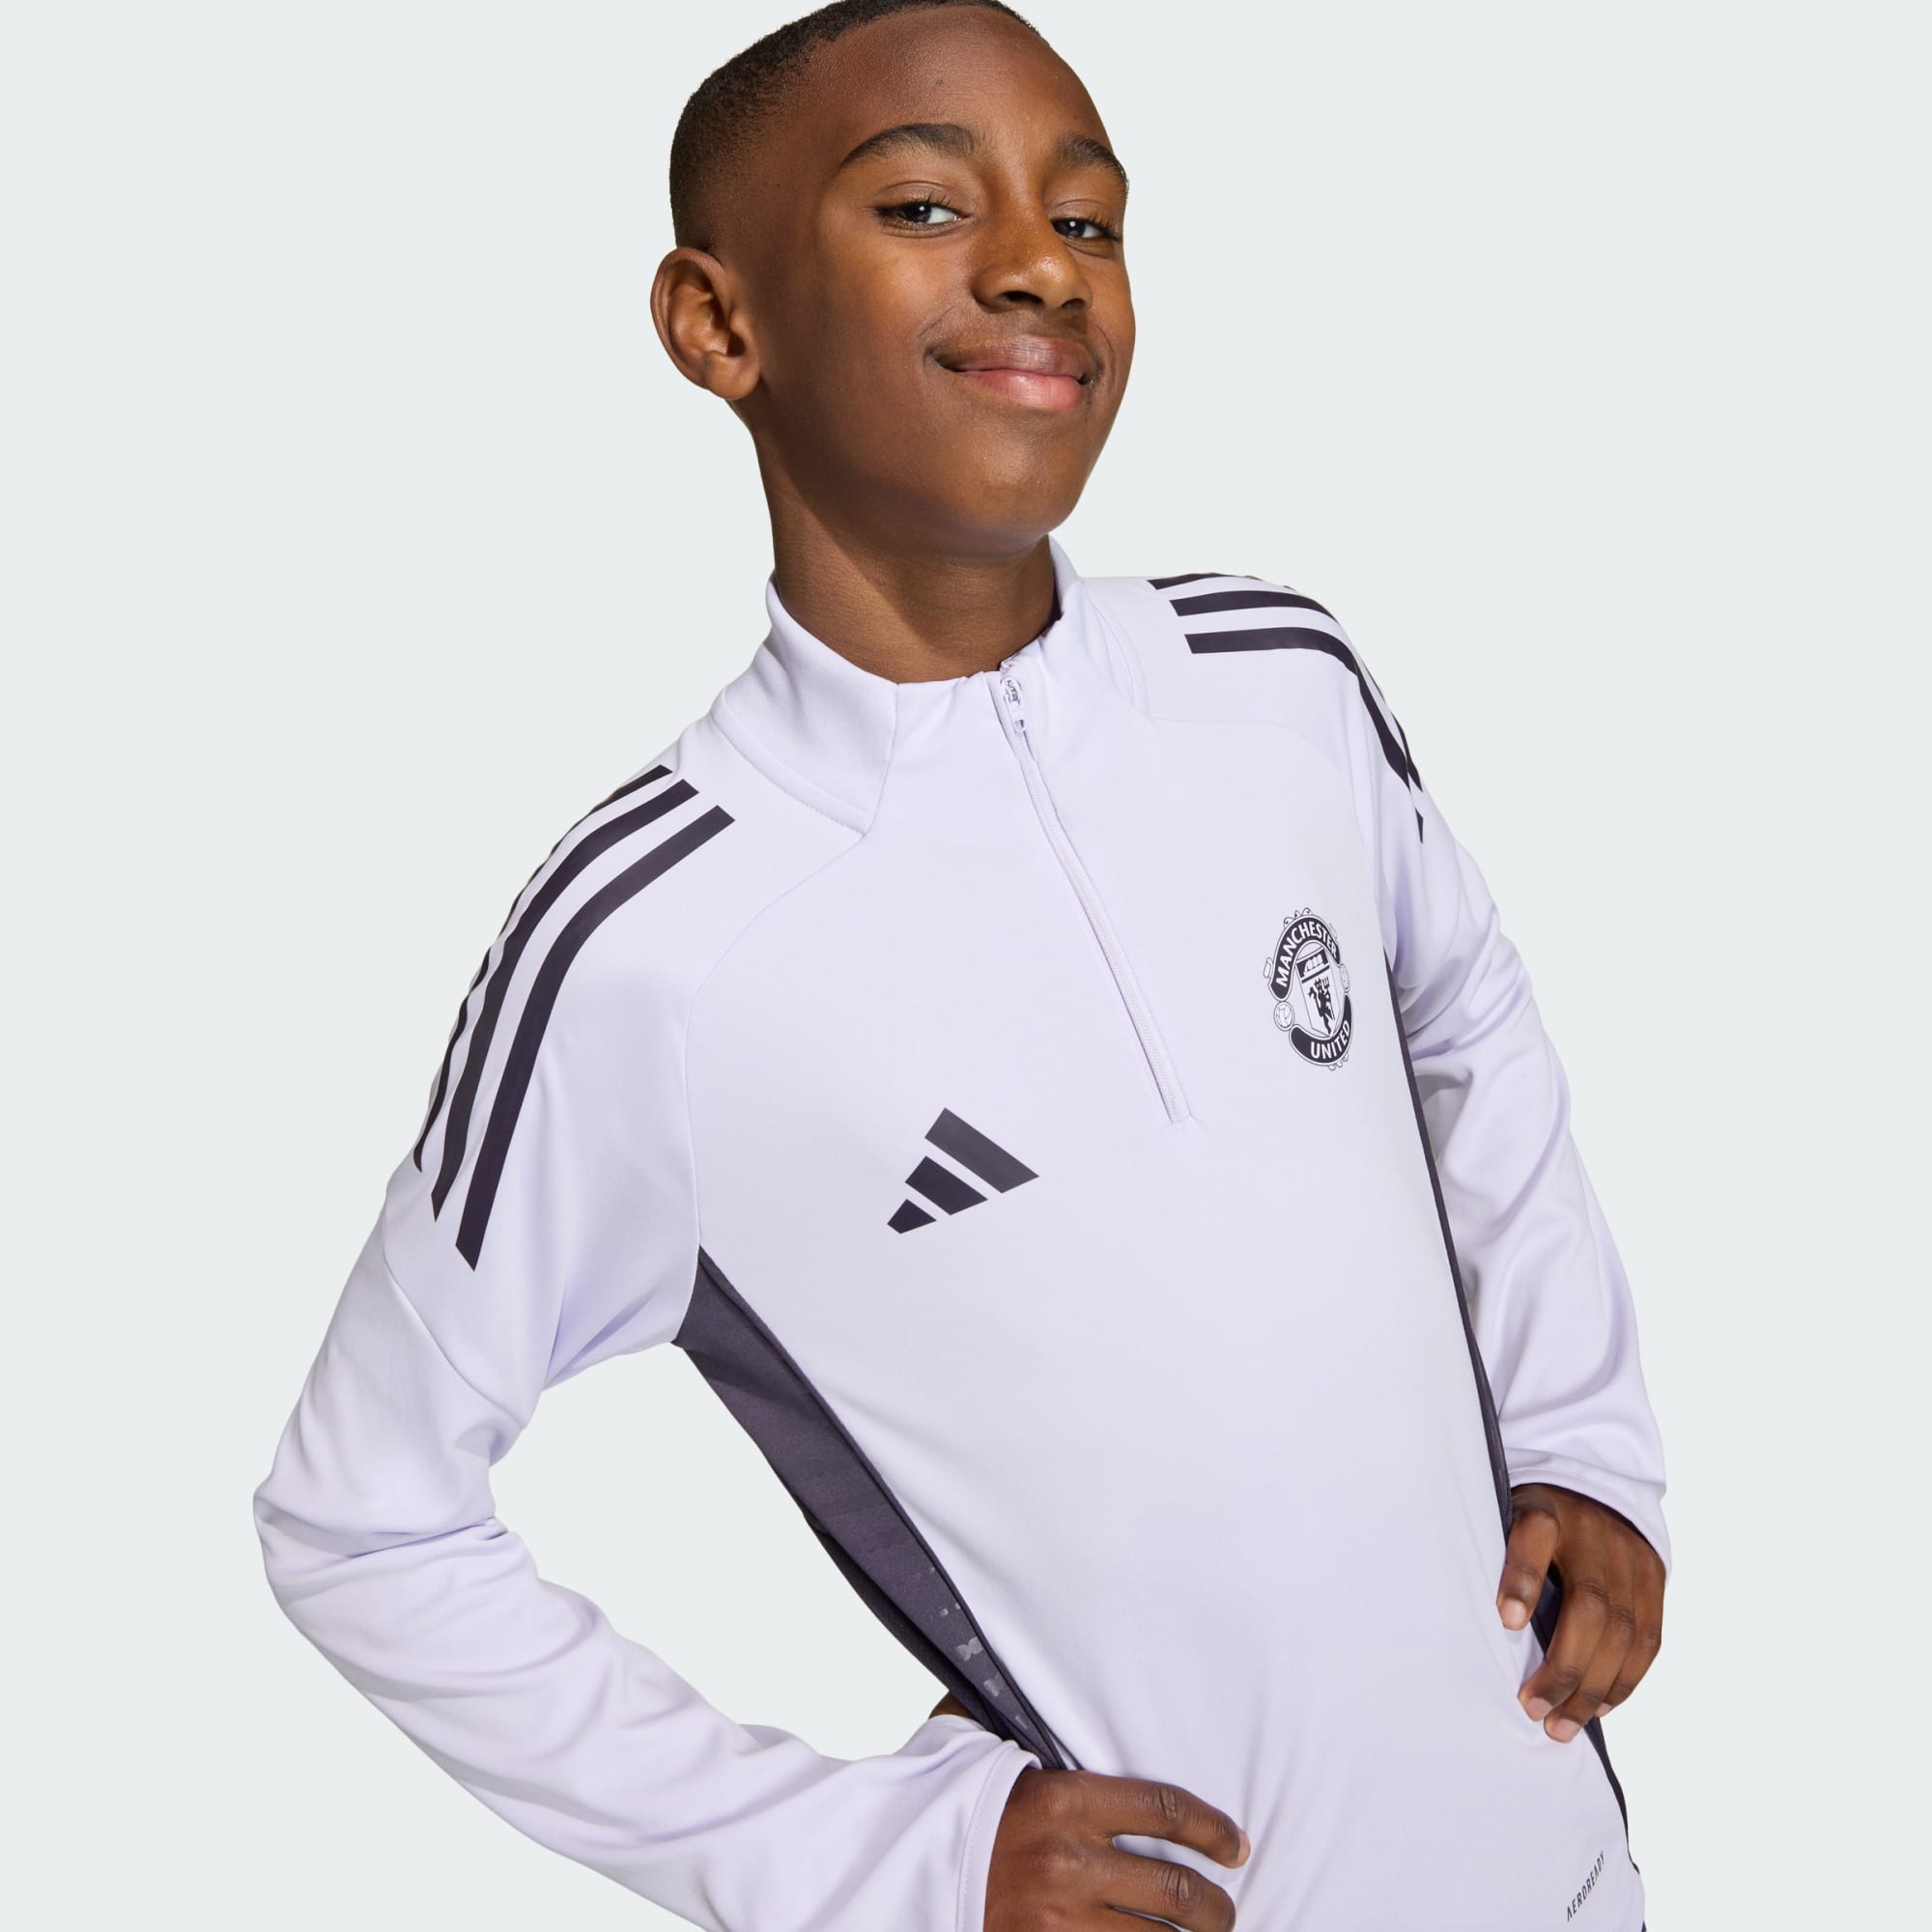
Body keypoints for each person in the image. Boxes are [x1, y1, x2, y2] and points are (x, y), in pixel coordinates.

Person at [251, 3, 1669, 1926]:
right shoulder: (648, 943)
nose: (1037, 265)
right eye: (925, 205)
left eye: (1087, 220)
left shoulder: (1282, 684)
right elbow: (362, 1521)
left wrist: (1582, 1440)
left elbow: (1465, 1013)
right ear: (716, 323)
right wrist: (877, 1858)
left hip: (1567, 1875)